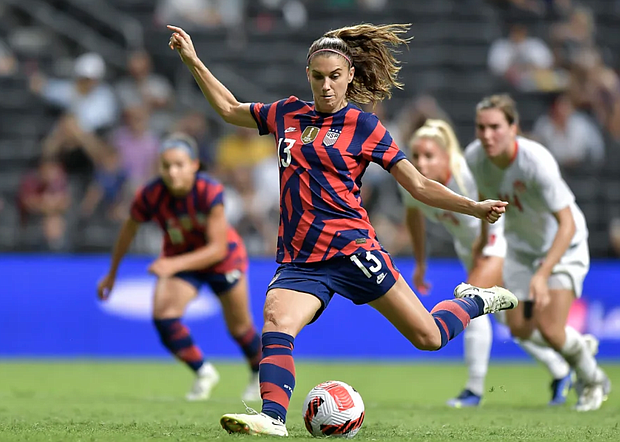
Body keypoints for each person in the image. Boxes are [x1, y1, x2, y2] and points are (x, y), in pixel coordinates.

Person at [167, 23, 518, 436]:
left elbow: (419, 185)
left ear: (350, 76)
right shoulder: (286, 113)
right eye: (318, 77)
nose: (327, 85)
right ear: (308, 75)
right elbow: (228, 109)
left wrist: (474, 207)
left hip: (353, 251)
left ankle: (476, 301)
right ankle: (273, 417)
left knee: (429, 337)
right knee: (277, 319)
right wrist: (192, 61)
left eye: (335, 76)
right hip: (300, 257)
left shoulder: (365, 126)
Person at [403, 119, 578, 407]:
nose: (421, 162)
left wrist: (489, 250)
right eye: (416, 156)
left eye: (429, 156)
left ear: (447, 156)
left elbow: (499, 211)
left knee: (471, 304)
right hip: (468, 247)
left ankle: (473, 390)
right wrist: (420, 263)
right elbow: (413, 216)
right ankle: (561, 371)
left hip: (498, 242)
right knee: (508, 319)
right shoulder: (411, 183)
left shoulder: (467, 179)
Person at [465, 94, 611, 412]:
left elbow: (568, 223)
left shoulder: (535, 161)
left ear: (513, 127)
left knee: (550, 329)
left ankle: (594, 381)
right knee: (518, 329)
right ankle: (577, 347)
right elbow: (484, 200)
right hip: (520, 249)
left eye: (495, 127)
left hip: (563, 246)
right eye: (481, 127)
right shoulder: (475, 157)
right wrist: (482, 240)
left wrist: (544, 275)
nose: (487, 135)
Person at [97, 133, 262, 402]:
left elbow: (217, 248)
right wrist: (112, 274)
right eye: (166, 166)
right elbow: (127, 232)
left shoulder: (209, 191)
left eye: (179, 165)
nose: (172, 172)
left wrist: (172, 263)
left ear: (194, 165)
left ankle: (258, 374)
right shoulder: (150, 195)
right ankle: (204, 371)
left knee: (240, 328)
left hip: (223, 260)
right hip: (183, 259)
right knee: (164, 316)